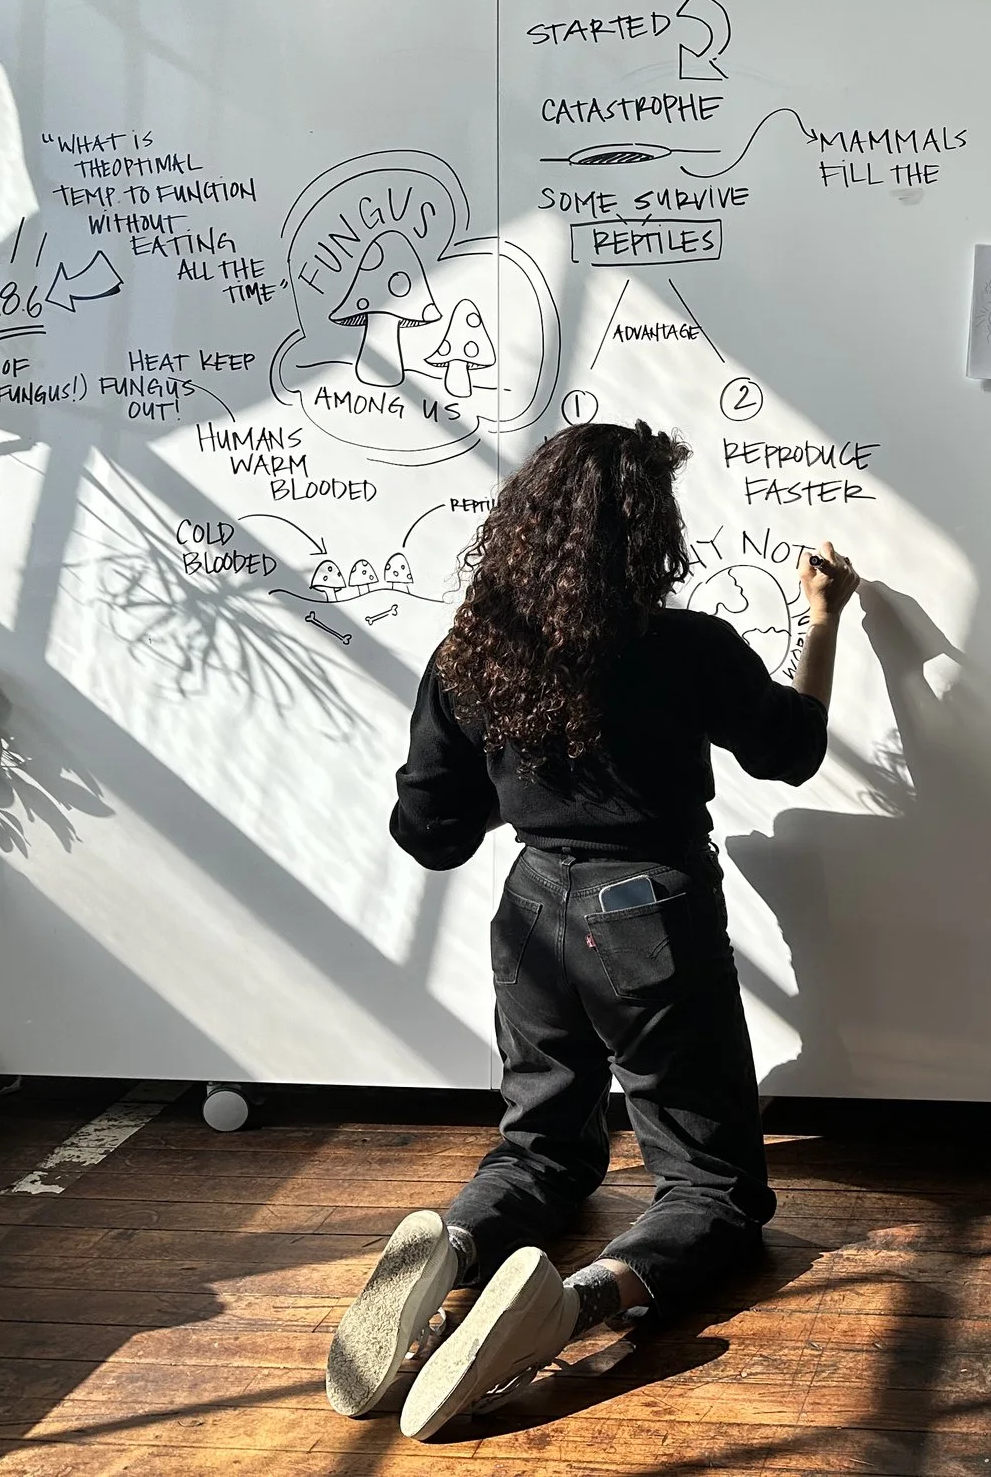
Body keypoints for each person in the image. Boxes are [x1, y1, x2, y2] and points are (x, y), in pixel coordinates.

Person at [325, 421, 860, 1439]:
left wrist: (514, 771)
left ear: (523, 525)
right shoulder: (685, 647)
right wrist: (823, 616)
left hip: (532, 910)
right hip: (648, 915)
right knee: (712, 1191)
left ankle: (457, 1246)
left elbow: (430, 832)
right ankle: (573, 1305)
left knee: (542, 1150)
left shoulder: (472, 651)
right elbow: (789, 754)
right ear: (648, 535)